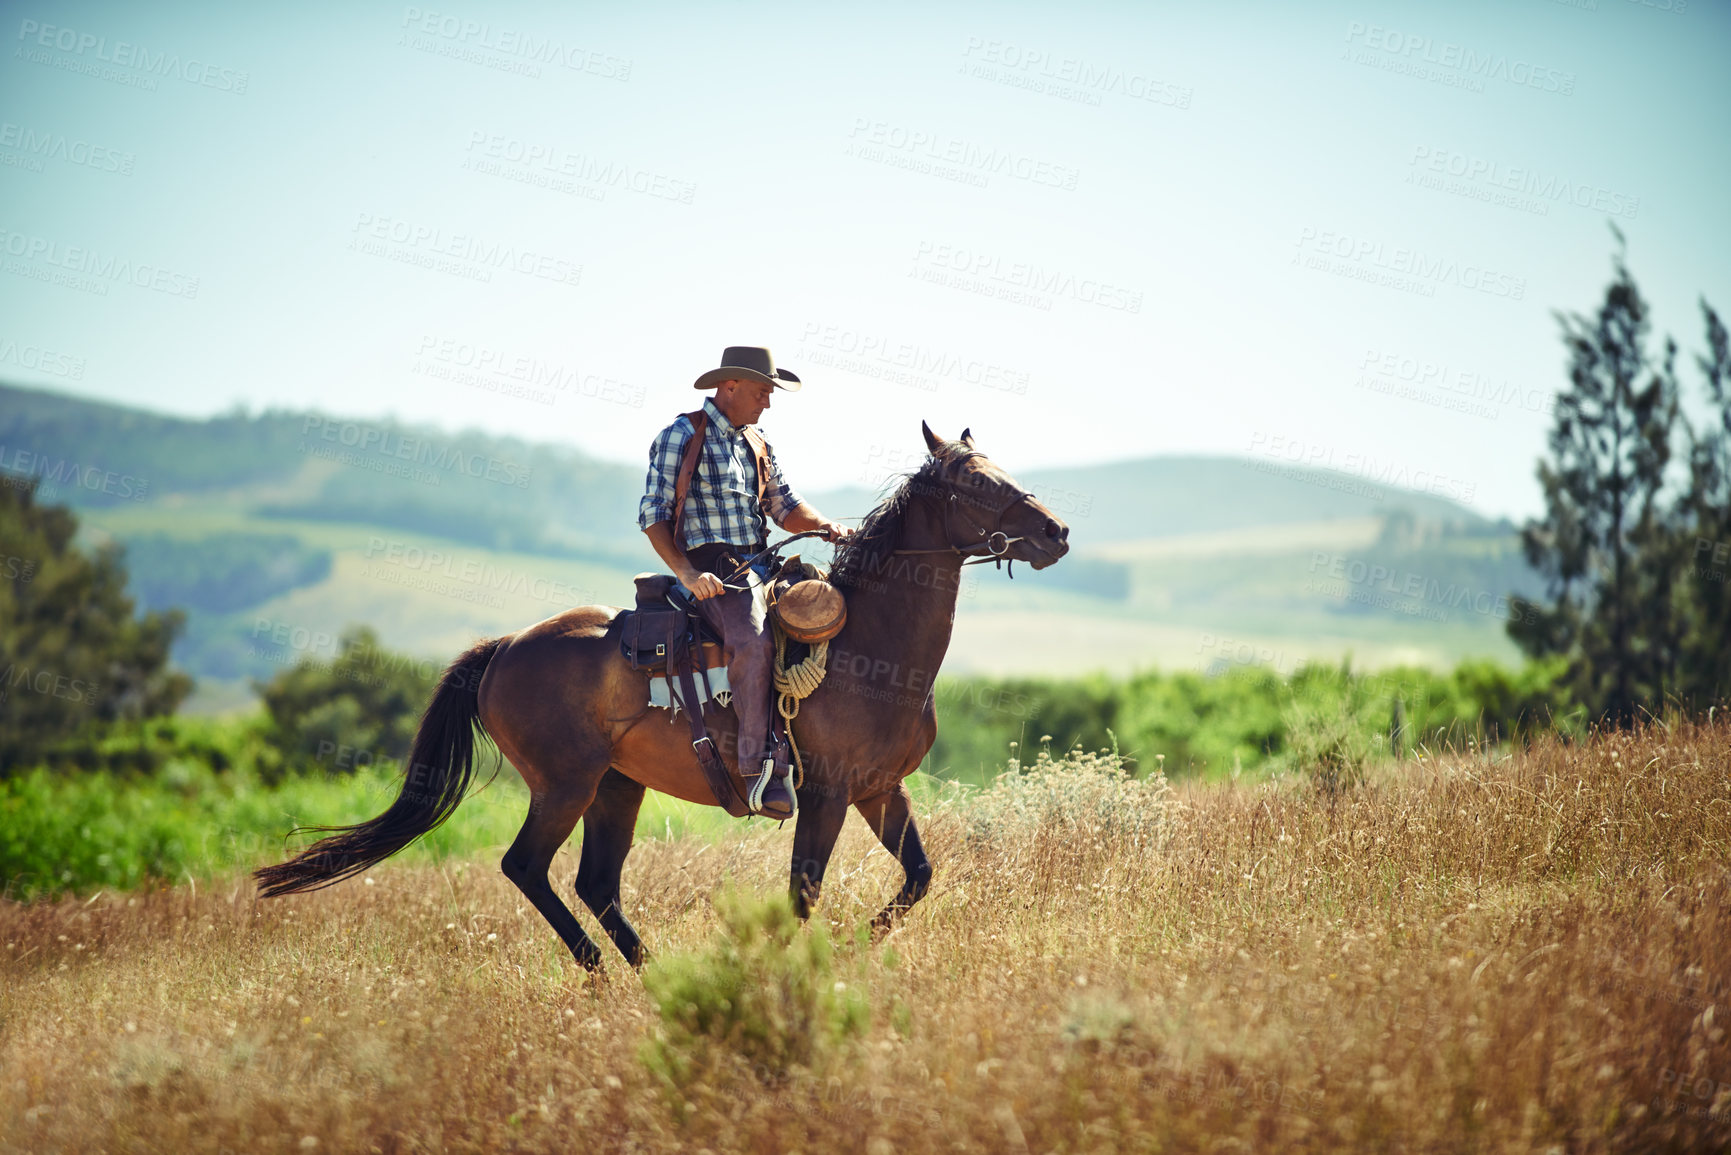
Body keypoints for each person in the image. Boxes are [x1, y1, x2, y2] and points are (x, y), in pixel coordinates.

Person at [638, 347, 853, 819]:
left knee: (829, 613)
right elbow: (652, 512)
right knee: (754, 644)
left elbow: (785, 507)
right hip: (712, 568)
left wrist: (827, 526)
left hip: (761, 563)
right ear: (729, 386)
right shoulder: (681, 434)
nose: (768, 404)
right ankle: (759, 771)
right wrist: (689, 575)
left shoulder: (758, 441)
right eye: (762, 392)